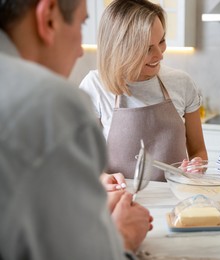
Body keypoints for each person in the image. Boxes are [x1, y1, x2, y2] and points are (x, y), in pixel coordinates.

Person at [0, 0, 152, 259]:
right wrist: (122, 237)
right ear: (49, 18)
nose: (81, 51)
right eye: (82, 23)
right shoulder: (50, 102)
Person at [79, 0, 207, 181]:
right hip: (121, 201)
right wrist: (101, 179)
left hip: (176, 201)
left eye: (162, 41)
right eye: (147, 48)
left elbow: (198, 151)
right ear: (120, 49)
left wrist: (196, 166)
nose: (160, 54)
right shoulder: (95, 86)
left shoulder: (182, 83)